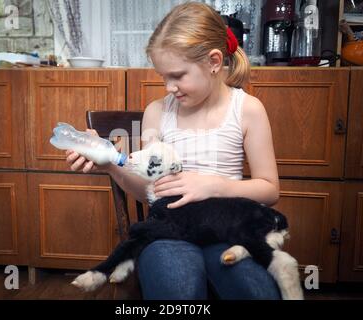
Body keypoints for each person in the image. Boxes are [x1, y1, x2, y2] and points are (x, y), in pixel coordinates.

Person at [66, 2, 281, 300]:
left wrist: (215, 186)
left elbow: (270, 190)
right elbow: (148, 191)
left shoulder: (247, 110)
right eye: (163, 77)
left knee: (258, 294)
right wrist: (110, 163)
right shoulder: (157, 113)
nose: (169, 87)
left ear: (214, 61)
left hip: (227, 231)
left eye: (178, 75)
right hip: (167, 231)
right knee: (177, 291)